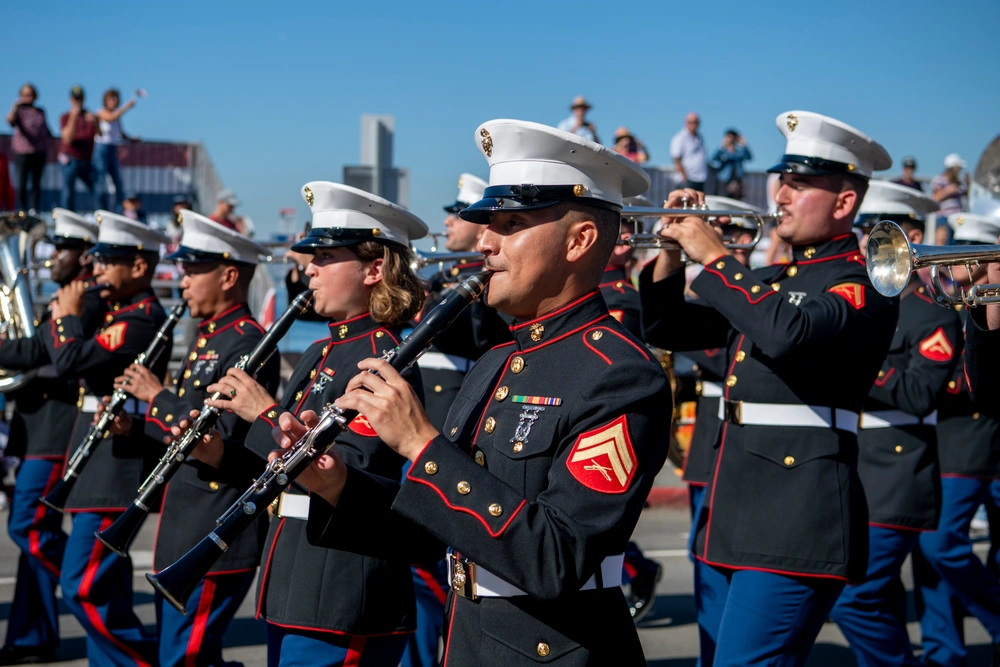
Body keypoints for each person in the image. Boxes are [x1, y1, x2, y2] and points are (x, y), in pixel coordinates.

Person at [280, 119, 671, 665]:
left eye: (511, 223)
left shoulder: (620, 373)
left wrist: (422, 445)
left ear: (580, 241)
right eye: (488, 224)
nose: (484, 241)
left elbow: (554, 558)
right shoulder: (497, 360)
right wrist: (338, 483)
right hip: (468, 642)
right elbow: (440, 528)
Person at [640, 110, 899, 665]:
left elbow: (787, 333)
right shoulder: (778, 281)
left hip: (796, 517)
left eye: (799, 184)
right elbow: (669, 328)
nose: (779, 193)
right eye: (783, 180)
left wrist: (714, 255)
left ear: (844, 202)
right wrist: (670, 250)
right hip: (736, 507)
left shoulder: (863, 280)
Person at [179, 181, 428, 667]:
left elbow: (346, 469)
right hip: (294, 582)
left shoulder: (384, 358)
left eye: (326, 256)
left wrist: (264, 411)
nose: (309, 269)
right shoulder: (321, 350)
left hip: (342, 588)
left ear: (374, 268)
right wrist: (218, 454)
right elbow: (275, 468)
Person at [104, 211, 279, 667]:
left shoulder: (246, 343)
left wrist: (157, 397)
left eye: (193, 270)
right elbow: (183, 439)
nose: (181, 281)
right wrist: (137, 428)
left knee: (184, 660)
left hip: (213, 526)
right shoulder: (208, 339)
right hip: (184, 525)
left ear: (228, 275)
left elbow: (218, 437)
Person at [828, 180, 959, 666]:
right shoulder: (860, 304)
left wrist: (860, 358)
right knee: (879, 599)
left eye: (884, 231)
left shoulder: (931, 316)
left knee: (855, 599)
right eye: (865, 229)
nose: (869, 241)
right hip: (860, 465)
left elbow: (919, 393)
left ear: (913, 236)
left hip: (897, 469)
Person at [41, 212, 168, 667]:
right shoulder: (111, 310)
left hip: (115, 465)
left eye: (107, 261)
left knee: (82, 585)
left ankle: (146, 659)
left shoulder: (140, 320)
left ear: (138, 268)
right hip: (95, 459)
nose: (94, 271)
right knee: (108, 592)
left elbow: (68, 361)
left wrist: (68, 317)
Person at [403, 172, 505, 667]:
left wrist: (438, 309)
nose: (450, 222)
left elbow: (481, 342)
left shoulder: (479, 287)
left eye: (459, 214)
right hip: (422, 430)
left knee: (434, 573)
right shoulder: (444, 278)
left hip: (449, 432)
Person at [0, 210, 104, 666]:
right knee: (32, 538)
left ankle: (96, 586)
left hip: (56, 430)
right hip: (38, 426)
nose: (51, 257)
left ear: (83, 255)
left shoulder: (89, 299)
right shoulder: (64, 297)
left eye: (62, 250)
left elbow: (40, 350)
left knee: (27, 526)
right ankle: (30, 638)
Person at [672, 195, 760, 657]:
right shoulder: (703, 296)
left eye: (730, 235)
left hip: (748, 451)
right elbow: (674, 342)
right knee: (704, 561)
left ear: (747, 240)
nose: (722, 241)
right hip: (709, 445)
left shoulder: (762, 296)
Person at [926, 212, 1000, 666]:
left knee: (946, 548)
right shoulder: (955, 305)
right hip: (953, 442)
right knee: (934, 559)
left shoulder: (974, 305)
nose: (957, 264)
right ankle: (944, 650)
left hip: (978, 444)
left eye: (967, 254)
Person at [6, 84, 51, 213]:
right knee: (21, 183)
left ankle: (33, 210)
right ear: (21, 96)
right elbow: (9, 121)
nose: (28, 97)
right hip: (22, 152)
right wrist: (15, 107)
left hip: (39, 152)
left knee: (36, 184)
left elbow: (46, 130)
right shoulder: (19, 111)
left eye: (30, 94)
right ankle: (21, 210)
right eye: (25, 95)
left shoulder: (40, 111)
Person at [93, 88, 139, 213]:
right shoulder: (101, 112)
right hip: (101, 149)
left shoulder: (117, 117)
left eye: (116, 98)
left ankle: (118, 211)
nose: (114, 101)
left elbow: (120, 132)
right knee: (101, 183)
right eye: (111, 98)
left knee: (118, 183)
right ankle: (101, 211)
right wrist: (127, 106)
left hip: (113, 149)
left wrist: (131, 139)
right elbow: (111, 117)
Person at [58, 86, 99, 211]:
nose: (77, 101)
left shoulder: (90, 117)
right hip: (69, 159)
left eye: (80, 98)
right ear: (70, 99)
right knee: (68, 191)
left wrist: (96, 122)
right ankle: (68, 216)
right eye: (75, 98)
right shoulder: (65, 117)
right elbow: (67, 139)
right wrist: (74, 117)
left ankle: (100, 216)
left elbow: (101, 135)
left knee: (97, 188)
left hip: (86, 160)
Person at [932, 154, 970, 246]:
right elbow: (935, 197)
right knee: (943, 243)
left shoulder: (959, 183)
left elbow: (967, 195)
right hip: (944, 217)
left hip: (958, 219)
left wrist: (968, 184)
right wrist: (948, 190)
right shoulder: (939, 180)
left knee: (954, 245)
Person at [670, 112, 708, 192]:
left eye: (696, 122)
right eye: (691, 122)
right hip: (687, 179)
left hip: (700, 178)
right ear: (686, 123)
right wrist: (684, 177)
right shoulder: (680, 137)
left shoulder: (700, 138)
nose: (693, 125)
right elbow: (676, 158)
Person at [710, 129, 752, 199]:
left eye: (733, 137)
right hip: (724, 179)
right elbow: (713, 158)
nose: (731, 139)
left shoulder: (740, 151)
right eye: (729, 137)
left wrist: (744, 145)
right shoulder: (723, 150)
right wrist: (723, 145)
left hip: (737, 180)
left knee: (736, 200)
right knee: (723, 198)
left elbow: (749, 158)